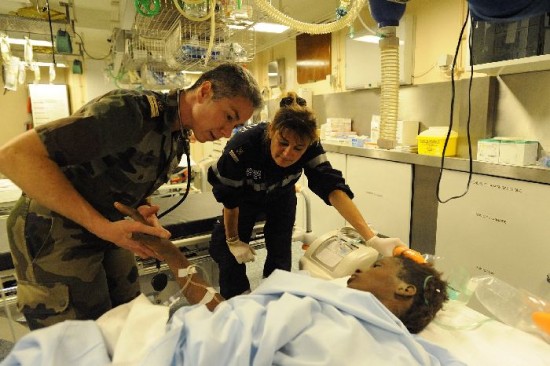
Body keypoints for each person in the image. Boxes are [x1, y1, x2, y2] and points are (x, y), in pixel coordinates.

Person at [0, 204, 454, 365]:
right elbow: (228, 313)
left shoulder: (380, 346)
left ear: (406, 290)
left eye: (379, 266)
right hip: (184, 335)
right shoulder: (328, 296)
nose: (361, 267)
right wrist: (175, 258)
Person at [0, 62, 263, 329]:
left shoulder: (176, 135)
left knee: (126, 317)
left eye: (237, 124)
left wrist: (140, 209)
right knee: (79, 335)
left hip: (107, 228)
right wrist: (100, 226)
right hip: (54, 231)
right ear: (205, 91)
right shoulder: (129, 114)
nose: (228, 133)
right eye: (229, 116)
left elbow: (116, 176)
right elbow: (15, 156)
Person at [207, 91, 407, 299]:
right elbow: (230, 199)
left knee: (281, 248)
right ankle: (236, 301)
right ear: (272, 131)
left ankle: (276, 296)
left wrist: (371, 239)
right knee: (227, 253)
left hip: (281, 196)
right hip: (242, 199)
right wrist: (233, 240)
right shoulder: (242, 146)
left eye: (298, 148)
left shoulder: (311, 144)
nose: (287, 154)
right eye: (283, 143)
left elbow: (331, 187)